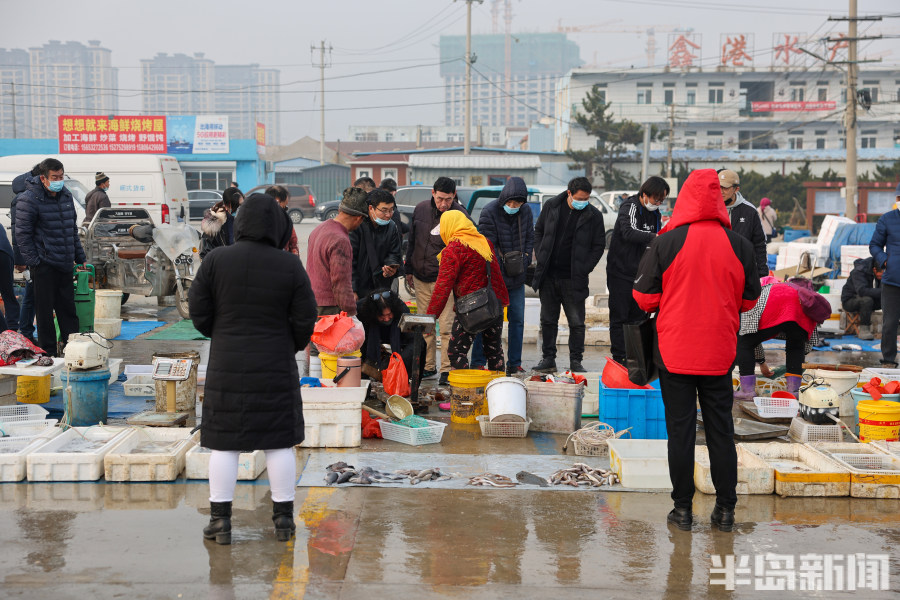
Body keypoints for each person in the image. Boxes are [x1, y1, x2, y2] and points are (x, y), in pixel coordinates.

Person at [633, 168, 760, 533]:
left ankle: (683, 510)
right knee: (721, 431)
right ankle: (725, 510)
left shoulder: (666, 241)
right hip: (719, 353)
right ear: (719, 198)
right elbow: (750, 302)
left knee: (681, 431)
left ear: (686, 197)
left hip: (675, 352)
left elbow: (644, 297)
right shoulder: (740, 245)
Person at [189, 193, 317, 546]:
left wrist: (222, 331)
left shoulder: (216, 260)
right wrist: (286, 343)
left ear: (241, 223)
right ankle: (283, 520)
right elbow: (306, 317)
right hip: (275, 360)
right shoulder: (289, 265)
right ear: (276, 225)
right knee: (279, 443)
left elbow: (197, 310)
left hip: (228, 360)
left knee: (225, 445)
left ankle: (220, 522)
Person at [531, 177, 606, 374]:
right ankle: (548, 359)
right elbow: (538, 231)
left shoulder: (594, 216)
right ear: (569, 193)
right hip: (548, 275)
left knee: (576, 322)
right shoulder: (551, 206)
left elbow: (599, 245)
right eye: (580, 198)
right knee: (548, 320)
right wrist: (540, 254)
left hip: (574, 278)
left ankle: (576, 361)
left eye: (587, 199)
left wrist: (585, 268)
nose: (583, 202)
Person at [14, 158, 87, 356]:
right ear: (43, 178)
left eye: (61, 176)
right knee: (44, 313)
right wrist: (34, 262)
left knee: (68, 312)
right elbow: (22, 234)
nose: (58, 180)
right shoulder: (29, 199)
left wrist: (80, 258)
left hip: (64, 263)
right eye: (54, 177)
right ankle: (48, 354)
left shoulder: (65, 196)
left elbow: (71, 230)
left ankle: (74, 351)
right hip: (44, 265)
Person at [405, 177, 470, 385]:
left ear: (454, 195)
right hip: (421, 277)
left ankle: (447, 369)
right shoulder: (421, 209)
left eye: (448, 199)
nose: (444, 204)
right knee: (426, 324)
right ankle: (428, 366)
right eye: (440, 198)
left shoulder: (459, 214)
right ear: (433, 193)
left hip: (447, 281)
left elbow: (467, 248)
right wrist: (408, 269)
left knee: (447, 326)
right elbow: (412, 241)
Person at [426, 210, 509, 373]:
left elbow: (443, 287)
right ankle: (499, 391)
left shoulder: (453, 250)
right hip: (493, 306)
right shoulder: (484, 242)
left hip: (470, 310)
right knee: (494, 351)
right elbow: (497, 276)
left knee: (456, 351)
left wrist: (431, 316)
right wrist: (502, 302)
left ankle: (464, 392)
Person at [473, 176, 533, 376]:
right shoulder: (489, 211)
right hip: (494, 279)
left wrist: (524, 261)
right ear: (504, 198)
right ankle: (479, 363)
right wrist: (498, 273)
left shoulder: (525, 212)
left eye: (518, 203)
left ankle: (515, 363)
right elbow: (487, 246)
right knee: (487, 320)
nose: (514, 206)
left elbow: (529, 239)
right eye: (510, 202)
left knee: (517, 321)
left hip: (517, 277)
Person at [606, 176, 668, 366]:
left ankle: (635, 357)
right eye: (656, 199)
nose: (658, 203)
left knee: (639, 318)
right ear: (644, 194)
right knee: (620, 316)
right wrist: (655, 237)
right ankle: (620, 357)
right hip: (621, 271)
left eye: (661, 201)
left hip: (642, 275)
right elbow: (629, 231)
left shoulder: (655, 213)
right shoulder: (630, 207)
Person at [736, 279, 822, 399]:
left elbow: (750, 333)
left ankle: (747, 392)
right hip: (802, 310)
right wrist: (761, 361)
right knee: (796, 347)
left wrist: (761, 362)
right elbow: (804, 346)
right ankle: (794, 392)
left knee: (745, 342)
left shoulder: (760, 290)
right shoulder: (798, 292)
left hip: (777, 302)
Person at [307, 187, 367, 316]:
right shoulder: (340, 240)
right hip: (329, 307)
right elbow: (341, 283)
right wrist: (351, 313)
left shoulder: (319, 229)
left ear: (340, 210)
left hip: (312, 301)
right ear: (359, 218)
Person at [356, 289, 424, 380]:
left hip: (397, 332)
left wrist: (399, 362)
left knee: (420, 342)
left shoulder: (401, 308)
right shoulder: (361, 309)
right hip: (369, 333)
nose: (387, 319)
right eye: (382, 316)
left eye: (389, 314)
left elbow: (413, 340)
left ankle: (406, 377)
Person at [350, 189, 403, 298]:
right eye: (384, 210)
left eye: (391, 210)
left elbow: (394, 253)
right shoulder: (357, 225)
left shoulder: (392, 227)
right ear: (371, 208)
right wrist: (352, 288)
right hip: (359, 286)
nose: (388, 215)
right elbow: (350, 261)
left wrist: (390, 267)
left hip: (381, 286)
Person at [870, 188, 900, 368]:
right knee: (889, 323)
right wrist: (885, 261)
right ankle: (888, 361)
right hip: (892, 282)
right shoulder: (887, 219)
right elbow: (874, 245)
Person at [718, 169, 768, 277]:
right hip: (717, 271)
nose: (721, 191)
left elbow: (759, 243)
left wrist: (762, 274)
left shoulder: (749, 211)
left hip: (742, 272)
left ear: (736, 189)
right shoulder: (710, 209)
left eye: (725, 188)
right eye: (718, 187)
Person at [842, 257, 883, 341]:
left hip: (867, 300)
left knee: (891, 299)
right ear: (875, 270)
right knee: (867, 300)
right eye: (881, 275)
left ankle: (893, 328)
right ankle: (864, 329)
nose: (882, 277)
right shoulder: (859, 271)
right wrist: (883, 292)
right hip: (850, 300)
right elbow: (862, 291)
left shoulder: (878, 270)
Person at [265, 185, 300, 256]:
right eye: (283, 207)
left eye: (285, 208)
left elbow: (293, 244)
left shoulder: (286, 222)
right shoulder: (261, 221)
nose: (283, 211)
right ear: (276, 201)